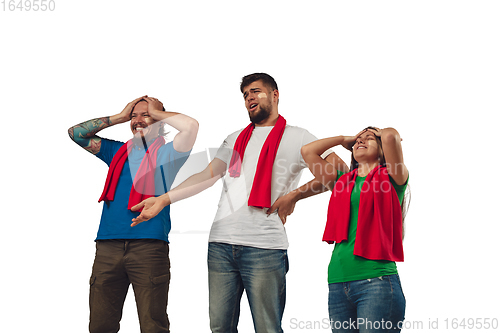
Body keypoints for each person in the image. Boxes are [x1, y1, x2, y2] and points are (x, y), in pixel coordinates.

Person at [129, 73, 340, 333]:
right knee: (220, 328)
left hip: (265, 247)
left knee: (267, 328)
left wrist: (294, 195)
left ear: (275, 94)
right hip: (220, 245)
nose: (250, 97)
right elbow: (207, 175)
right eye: (245, 94)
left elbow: (336, 173)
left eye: (256, 91)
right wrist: (163, 199)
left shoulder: (299, 136)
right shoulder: (235, 137)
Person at [68, 96, 199, 333]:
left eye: (146, 114)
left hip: (149, 247)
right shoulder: (115, 151)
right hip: (108, 246)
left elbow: (191, 126)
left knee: (153, 326)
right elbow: (75, 133)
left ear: (161, 121)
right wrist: (120, 116)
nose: (138, 120)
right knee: (100, 325)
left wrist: (155, 115)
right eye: (133, 116)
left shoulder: (169, 155)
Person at [301, 127, 409, 333]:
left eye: (369, 139)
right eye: (358, 140)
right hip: (338, 283)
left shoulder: (393, 178)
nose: (361, 141)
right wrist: (343, 139)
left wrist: (381, 134)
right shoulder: (341, 182)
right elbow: (307, 151)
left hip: (377, 282)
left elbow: (390, 135)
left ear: (382, 149)